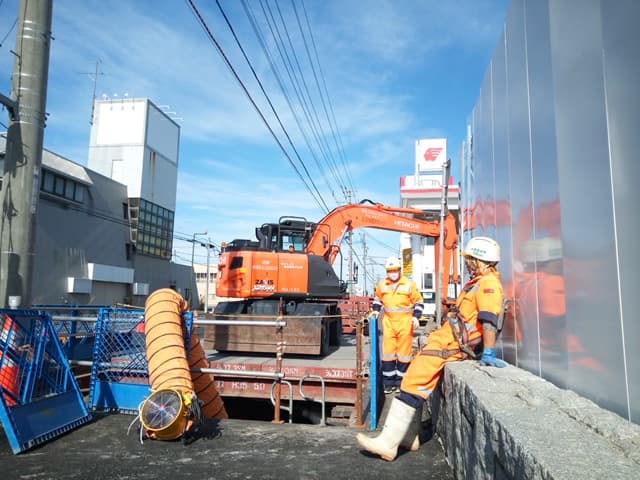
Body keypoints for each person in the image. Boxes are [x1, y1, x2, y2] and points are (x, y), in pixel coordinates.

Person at [358, 236, 507, 461]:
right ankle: (409, 438)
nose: (467, 263)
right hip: (447, 340)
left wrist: (488, 351)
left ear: (479, 260)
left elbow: (489, 320)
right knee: (413, 376)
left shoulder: (488, 284)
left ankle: (388, 444)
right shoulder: (478, 282)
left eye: (470, 259)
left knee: (413, 380)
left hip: (452, 345)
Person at [371, 256, 424, 394]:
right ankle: (388, 384)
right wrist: (376, 310)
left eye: (395, 270)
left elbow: (419, 302)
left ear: (400, 270)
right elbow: (378, 299)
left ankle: (401, 383)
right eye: (390, 270)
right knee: (388, 354)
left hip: (405, 323)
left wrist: (416, 317)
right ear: (387, 271)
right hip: (389, 322)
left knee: (404, 354)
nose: (393, 273)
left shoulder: (409, 284)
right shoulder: (382, 284)